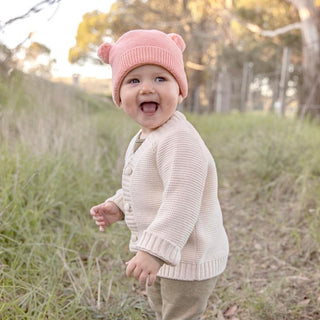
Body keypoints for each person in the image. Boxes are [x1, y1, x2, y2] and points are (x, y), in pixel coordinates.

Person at [90, 29, 229, 320]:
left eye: (160, 78)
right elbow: (147, 184)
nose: (146, 88)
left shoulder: (179, 139)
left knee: (179, 313)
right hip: (164, 251)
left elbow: (182, 200)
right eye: (133, 80)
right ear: (119, 97)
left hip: (188, 256)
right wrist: (119, 205)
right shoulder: (148, 135)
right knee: (161, 307)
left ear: (179, 90)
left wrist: (153, 252)